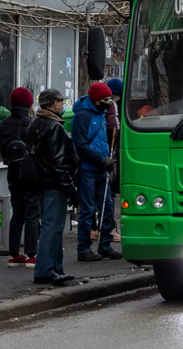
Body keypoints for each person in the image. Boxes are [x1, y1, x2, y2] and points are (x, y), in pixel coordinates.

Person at [25, 89, 79, 287]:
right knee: (52, 227)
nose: (63, 105)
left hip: (40, 182)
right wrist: (71, 188)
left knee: (51, 226)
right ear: (53, 104)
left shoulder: (35, 123)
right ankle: (46, 269)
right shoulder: (54, 127)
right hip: (54, 183)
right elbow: (58, 163)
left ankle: (56, 268)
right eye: (60, 101)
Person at [73, 82, 120, 262]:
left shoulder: (99, 113)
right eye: (106, 99)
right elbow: (81, 145)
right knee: (87, 211)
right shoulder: (83, 116)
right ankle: (83, 248)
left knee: (107, 208)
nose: (109, 103)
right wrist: (102, 159)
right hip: (89, 169)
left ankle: (105, 245)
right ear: (96, 99)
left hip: (101, 168)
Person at [0, 87, 40, 267]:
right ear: (29, 103)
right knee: (32, 212)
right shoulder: (33, 123)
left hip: (12, 173)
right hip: (30, 173)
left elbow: (3, 151)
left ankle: (14, 254)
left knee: (18, 213)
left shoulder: (4, 124)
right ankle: (32, 254)